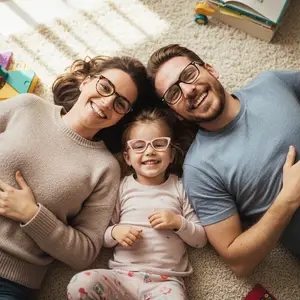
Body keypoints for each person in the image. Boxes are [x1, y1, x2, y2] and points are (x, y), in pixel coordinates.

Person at [0, 55, 157, 300]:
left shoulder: (105, 168)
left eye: (120, 103)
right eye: (105, 87)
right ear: (86, 81)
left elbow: (84, 253)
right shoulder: (26, 106)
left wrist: (32, 214)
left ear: (123, 116)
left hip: (11, 280)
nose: (106, 103)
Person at [146, 44, 300, 277]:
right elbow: (238, 262)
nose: (187, 91)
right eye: (173, 94)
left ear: (211, 69)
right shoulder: (199, 169)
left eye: (189, 75)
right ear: (175, 112)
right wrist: (287, 200)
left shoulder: (271, 83)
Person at [67, 109, 207, 300]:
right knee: (81, 284)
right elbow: (102, 235)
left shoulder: (180, 187)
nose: (150, 151)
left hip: (164, 283)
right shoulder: (122, 187)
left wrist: (178, 222)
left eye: (159, 144)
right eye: (139, 146)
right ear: (127, 158)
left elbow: (200, 240)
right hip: (122, 278)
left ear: (172, 154)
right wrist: (116, 232)